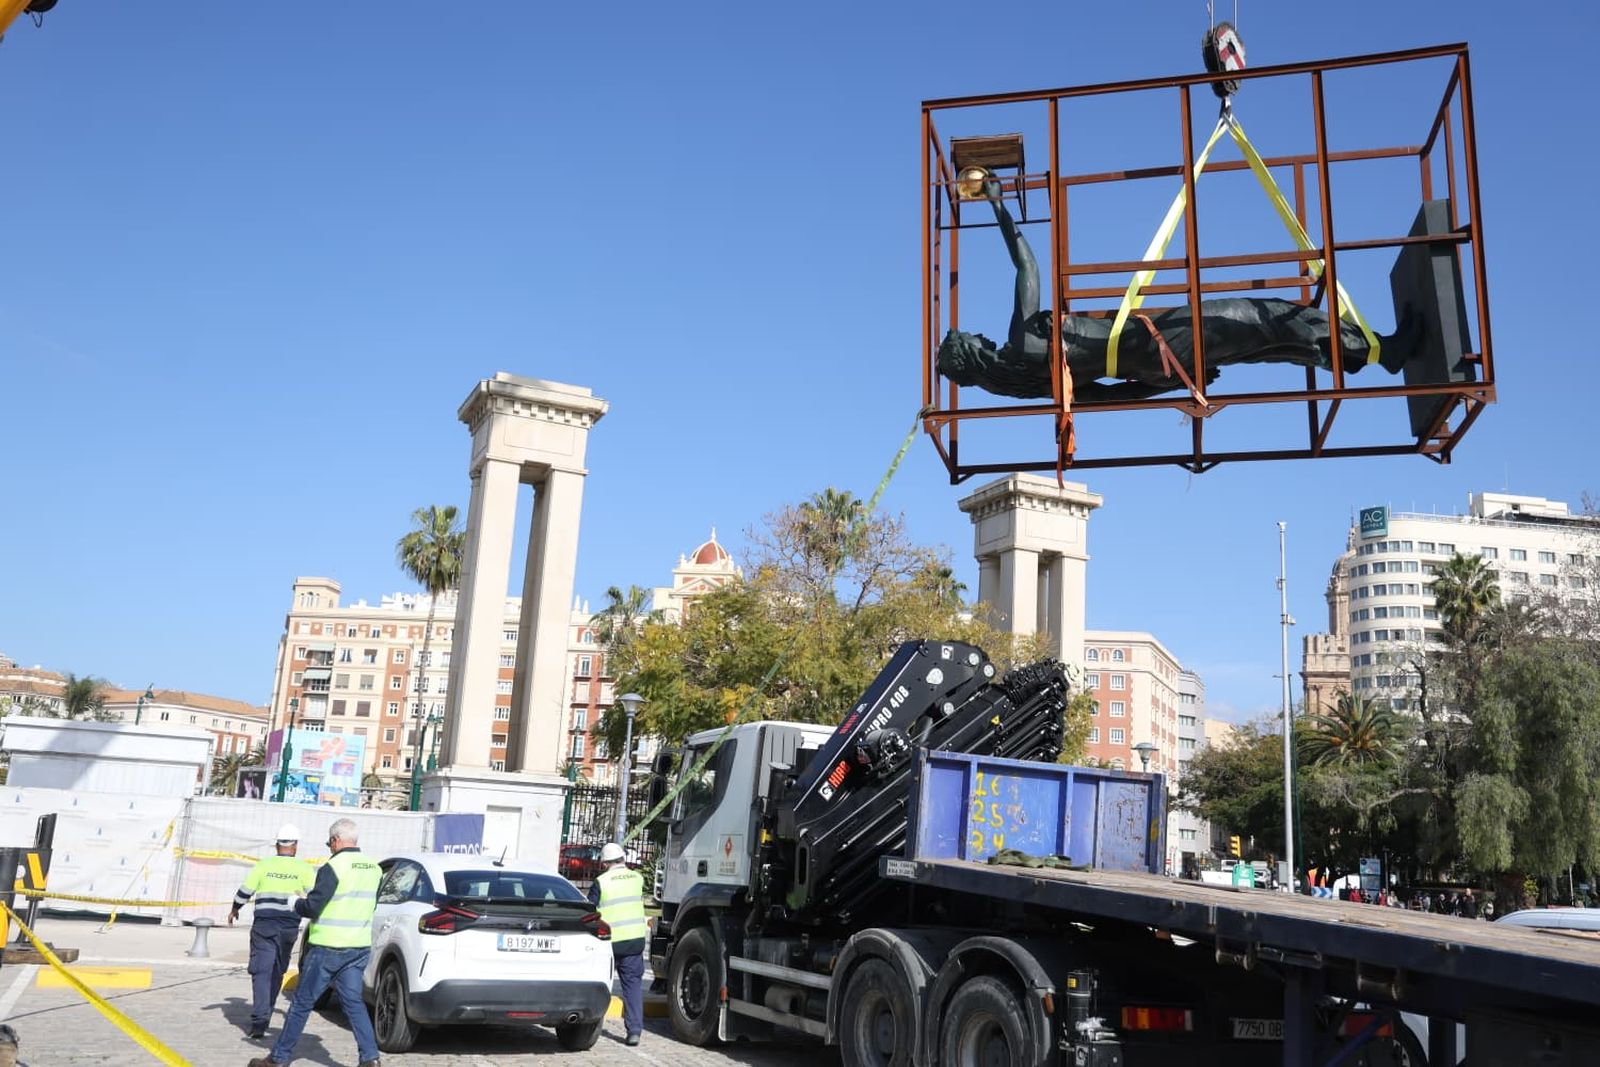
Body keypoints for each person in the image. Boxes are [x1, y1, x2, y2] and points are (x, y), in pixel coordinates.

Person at [936, 175, 1420, 402]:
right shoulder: (1023, 340)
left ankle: (1366, 355)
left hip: (1153, 362)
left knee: (1264, 348)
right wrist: (998, 206)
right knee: (1266, 316)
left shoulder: (1031, 382)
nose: (978, 336)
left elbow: (1107, 399)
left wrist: (1162, 385)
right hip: (1155, 339)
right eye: (970, 339)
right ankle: (1381, 351)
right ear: (971, 353)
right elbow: (1027, 269)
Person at [248, 818, 382, 1067]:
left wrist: (293, 903)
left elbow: (313, 906)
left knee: (301, 1003)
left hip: (328, 947)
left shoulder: (333, 867)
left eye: (329, 843)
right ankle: (370, 1058)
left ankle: (278, 1059)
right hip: (359, 946)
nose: (330, 847)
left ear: (336, 840)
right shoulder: (374, 868)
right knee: (354, 1002)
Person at [229, 823, 315, 1040]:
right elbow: (314, 898)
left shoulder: (263, 866)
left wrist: (234, 909)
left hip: (264, 924)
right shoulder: (304, 869)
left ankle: (260, 1020)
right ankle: (265, 1012)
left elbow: (245, 891)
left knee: (261, 971)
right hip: (289, 926)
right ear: (295, 846)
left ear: (277, 845)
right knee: (277, 970)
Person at [589, 843, 648, 1047]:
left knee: (601, 984)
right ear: (623, 858)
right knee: (632, 986)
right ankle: (634, 1032)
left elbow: (591, 911)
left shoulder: (601, 882)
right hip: (634, 941)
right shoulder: (637, 878)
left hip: (610, 943)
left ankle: (591, 1024)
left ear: (605, 862)